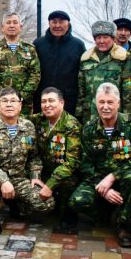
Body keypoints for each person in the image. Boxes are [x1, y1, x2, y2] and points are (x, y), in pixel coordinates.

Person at [69, 83, 131, 248]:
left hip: (124, 177)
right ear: (95, 103)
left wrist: (113, 177)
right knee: (77, 201)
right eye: (101, 102)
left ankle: (122, 224)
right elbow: (85, 163)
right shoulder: (89, 129)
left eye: (110, 102)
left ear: (118, 103)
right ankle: (107, 214)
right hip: (98, 180)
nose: (105, 107)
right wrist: (102, 186)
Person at [0, 87, 55, 225]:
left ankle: (16, 204)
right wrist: (3, 181)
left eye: (13, 101)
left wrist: (35, 176)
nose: (9, 104)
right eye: (4, 101)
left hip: (19, 178)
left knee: (46, 203)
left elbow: (34, 156)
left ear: (20, 105)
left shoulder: (28, 126)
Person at [30, 87, 81, 228]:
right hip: (44, 169)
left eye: (51, 101)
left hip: (63, 173)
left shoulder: (71, 125)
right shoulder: (39, 119)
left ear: (62, 103)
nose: (47, 105)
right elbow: (15, 117)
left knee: (68, 181)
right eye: (44, 101)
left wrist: (50, 185)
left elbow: (72, 163)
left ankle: (68, 213)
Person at [75, 20, 131, 123]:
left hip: (115, 115)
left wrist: (127, 117)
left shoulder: (123, 58)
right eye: (98, 38)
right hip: (91, 115)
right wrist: (79, 114)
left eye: (105, 37)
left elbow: (128, 91)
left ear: (113, 38)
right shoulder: (86, 59)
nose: (101, 41)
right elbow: (81, 91)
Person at [0, 12, 41, 115]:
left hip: (23, 103)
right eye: (8, 23)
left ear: (20, 26)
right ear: (2, 27)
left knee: (23, 128)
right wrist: (2, 94)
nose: (12, 25)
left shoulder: (30, 49)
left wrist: (22, 95)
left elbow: (35, 74)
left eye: (15, 22)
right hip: (1, 102)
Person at [33, 10, 86, 115]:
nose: (57, 25)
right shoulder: (38, 44)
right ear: (49, 23)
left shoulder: (78, 45)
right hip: (43, 100)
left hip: (69, 101)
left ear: (68, 24)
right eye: (54, 22)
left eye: (61, 22)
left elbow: (83, 73)